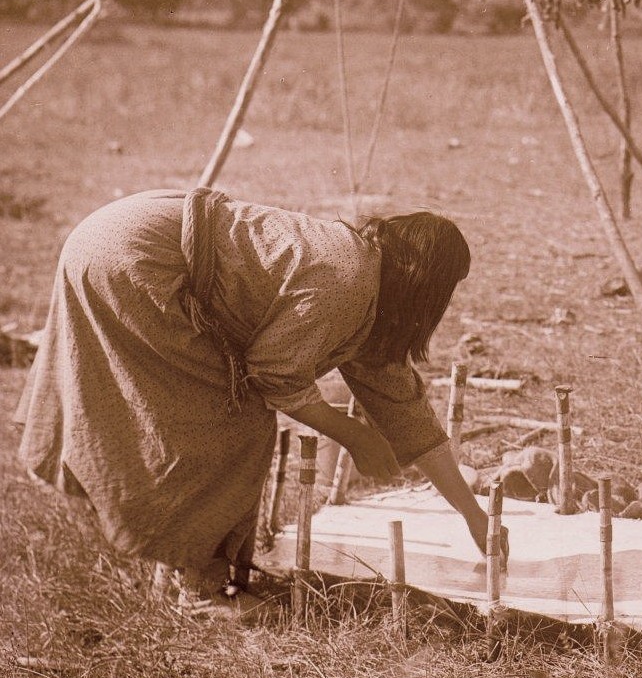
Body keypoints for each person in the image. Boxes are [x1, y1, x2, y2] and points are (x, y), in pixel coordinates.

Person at [12, 187, 501, 611]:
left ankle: (189, 567)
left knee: (224, 415)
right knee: (230, 419)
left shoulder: (367, 288)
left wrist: (473, 517)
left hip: (120, 234)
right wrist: (354, 436)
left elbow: (407, 414)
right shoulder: (346, 279)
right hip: (137, 257)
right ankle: (201, 591)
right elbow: (274, 375)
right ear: (421, 283)